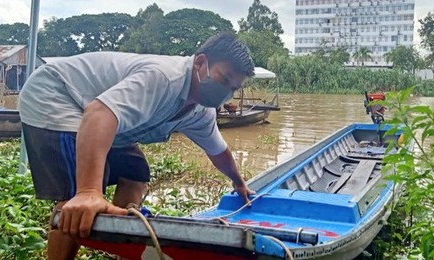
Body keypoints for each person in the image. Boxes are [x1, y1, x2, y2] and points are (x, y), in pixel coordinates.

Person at [18, 32, 256, 260]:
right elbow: (99, 114)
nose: (226, 91)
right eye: (223, 79)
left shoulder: (201, 112)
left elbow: (218, 150)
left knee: (136, 172)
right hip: (58, 94)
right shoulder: (165, 78)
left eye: (233, 88)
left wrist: (239, 182)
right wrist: (89, 192)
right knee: (77, 193)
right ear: (200, 63)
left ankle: (116, 241)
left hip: (106, 116)